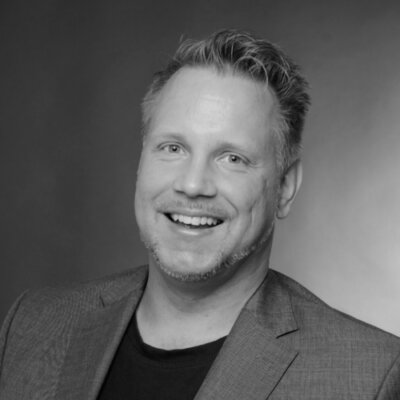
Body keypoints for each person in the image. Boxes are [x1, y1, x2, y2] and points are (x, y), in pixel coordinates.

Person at [0, 29, 399, 400]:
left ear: (285, 187)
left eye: (232, 158)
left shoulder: (368, 377)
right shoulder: (32, 326)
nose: (192, 185)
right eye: (173, 148)